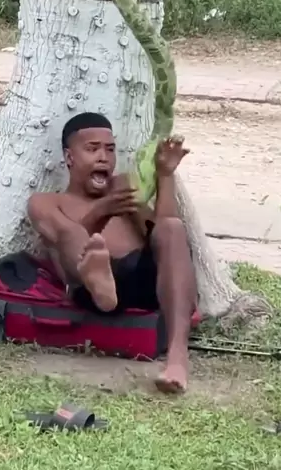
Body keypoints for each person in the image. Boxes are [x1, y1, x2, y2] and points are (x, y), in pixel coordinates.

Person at [27, 112, 196, 393]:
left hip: (140, 279)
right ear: (69, 157)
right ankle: (99, 280)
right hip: (85, 288)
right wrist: (100, 212)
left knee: (173, 228)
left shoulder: (121, 187)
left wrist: (165, 175)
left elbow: (162, 230)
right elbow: (66, 241)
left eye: (110, 149)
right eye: (92, 149)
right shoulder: (46, 202)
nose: (103, 158)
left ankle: (177, 357)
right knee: (71, 233)